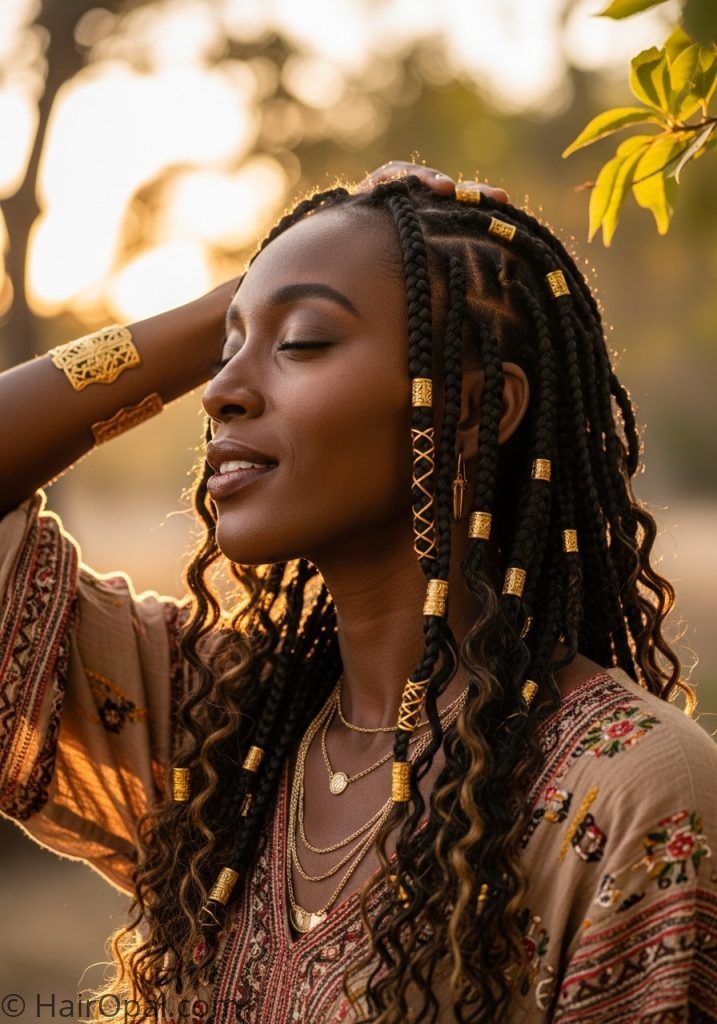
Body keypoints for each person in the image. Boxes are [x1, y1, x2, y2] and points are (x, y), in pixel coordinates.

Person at [0, 161, 715, 1024]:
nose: (221, 393)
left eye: (299, 342)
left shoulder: (628, 792)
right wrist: (231, 304)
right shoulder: (219, 728)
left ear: (468, 406)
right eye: (226, 354)